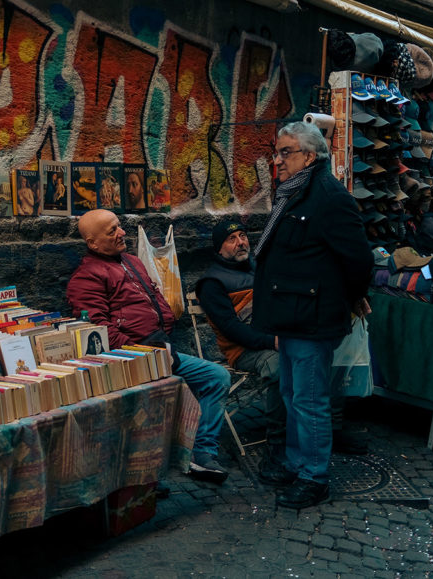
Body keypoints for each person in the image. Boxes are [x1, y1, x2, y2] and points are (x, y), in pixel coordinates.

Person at [252, 121, 374, 509]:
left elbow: (359, 259)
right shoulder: (293, 192)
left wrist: (353, 297)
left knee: (309, 399)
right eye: (277, 152)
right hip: (291, 314)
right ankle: (296, 461)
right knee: (292, 394)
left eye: (285, 152)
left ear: (309, 155)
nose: (277, 160)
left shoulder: (328, 196)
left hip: (312, 316)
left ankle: (314, 477)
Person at [66, 209, 231, 484]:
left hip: (161, 351)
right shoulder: (86, 278)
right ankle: (147, 477)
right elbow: (99, 334)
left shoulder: (131, 262)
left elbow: (153, 298)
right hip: (133, 360)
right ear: (92, 243)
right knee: (159, 399)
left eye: (119, 226)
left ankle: (200, 453)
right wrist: (145, 353)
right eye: (112, 231)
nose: (121, 233)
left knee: (217, 377)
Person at [195, 221, 284, 456]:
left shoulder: (258, 268)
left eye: (243, 235)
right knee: (280, 367)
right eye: (231, 239)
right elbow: (231, 329)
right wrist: (272, 341)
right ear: (219, 248)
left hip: (276, 336)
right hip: (243, 350)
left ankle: (312, 426)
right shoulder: (212, 283)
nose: (241, 242)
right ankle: (278, 440)